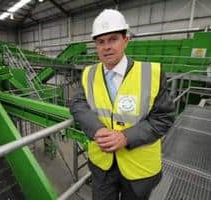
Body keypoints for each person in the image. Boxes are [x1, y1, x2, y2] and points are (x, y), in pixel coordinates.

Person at [70, 9, 175, 200]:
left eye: (113, 39)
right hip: (102, 166)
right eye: (100, 42)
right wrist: (97, 130)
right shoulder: (88, 74)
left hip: (138, 169)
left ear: (126, 40)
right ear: (95, 46)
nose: (106, 47)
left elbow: (163, 118)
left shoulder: (151, 74)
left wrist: (125, 137)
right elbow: (78, 104)